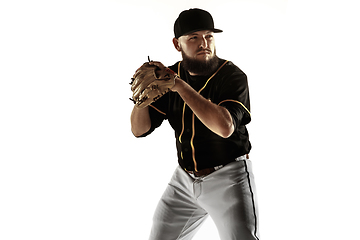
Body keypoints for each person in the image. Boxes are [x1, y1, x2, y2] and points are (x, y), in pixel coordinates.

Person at [130, 8, 260, 240]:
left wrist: (179, 86)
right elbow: (139, 130)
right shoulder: (169, 77)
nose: (204, 43)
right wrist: (140, 102)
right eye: (194, 37)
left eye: (208, 36)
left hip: (229, 177)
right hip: (184, 180)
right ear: (177, 44)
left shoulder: (232, 76)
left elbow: (225, 127)